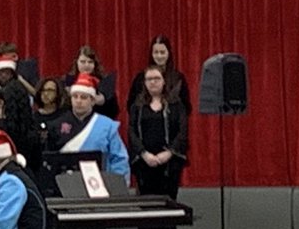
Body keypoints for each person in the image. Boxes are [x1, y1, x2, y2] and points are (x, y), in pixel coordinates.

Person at [46, 73, 130, 182]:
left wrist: (118, 183)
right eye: (75, 96)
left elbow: (119, 158)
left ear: (93, 101)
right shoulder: (57, 125)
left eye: (83, 97)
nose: (79, 101)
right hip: (68, 183)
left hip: (101, 182)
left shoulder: (107, 125)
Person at [128, 66, 189, 198]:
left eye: (157, 78)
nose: (153, 82)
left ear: (164, 81)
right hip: (144, 163)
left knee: (169, 202)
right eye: (149, 79)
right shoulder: (137, 106)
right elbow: (131, 131)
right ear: (144, 83)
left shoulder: (176, 105)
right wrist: (144, 154)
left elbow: (182, 131)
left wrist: (169, 152)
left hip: (169, 164)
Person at [126, 35, 192, 114]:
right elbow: (131, 105)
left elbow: (186, 108)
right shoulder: (140, 78)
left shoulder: (178, 78)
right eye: (156, 52)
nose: (159, 56)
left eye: (162, 52)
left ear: (168, 53)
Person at [64, 45, 118, 120]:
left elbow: (114, 110)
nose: (86, 65)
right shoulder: (68, 81)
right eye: (83, 62)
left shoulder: (103, 82)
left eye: (90, 62)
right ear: (76, 62)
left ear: (95, 64)